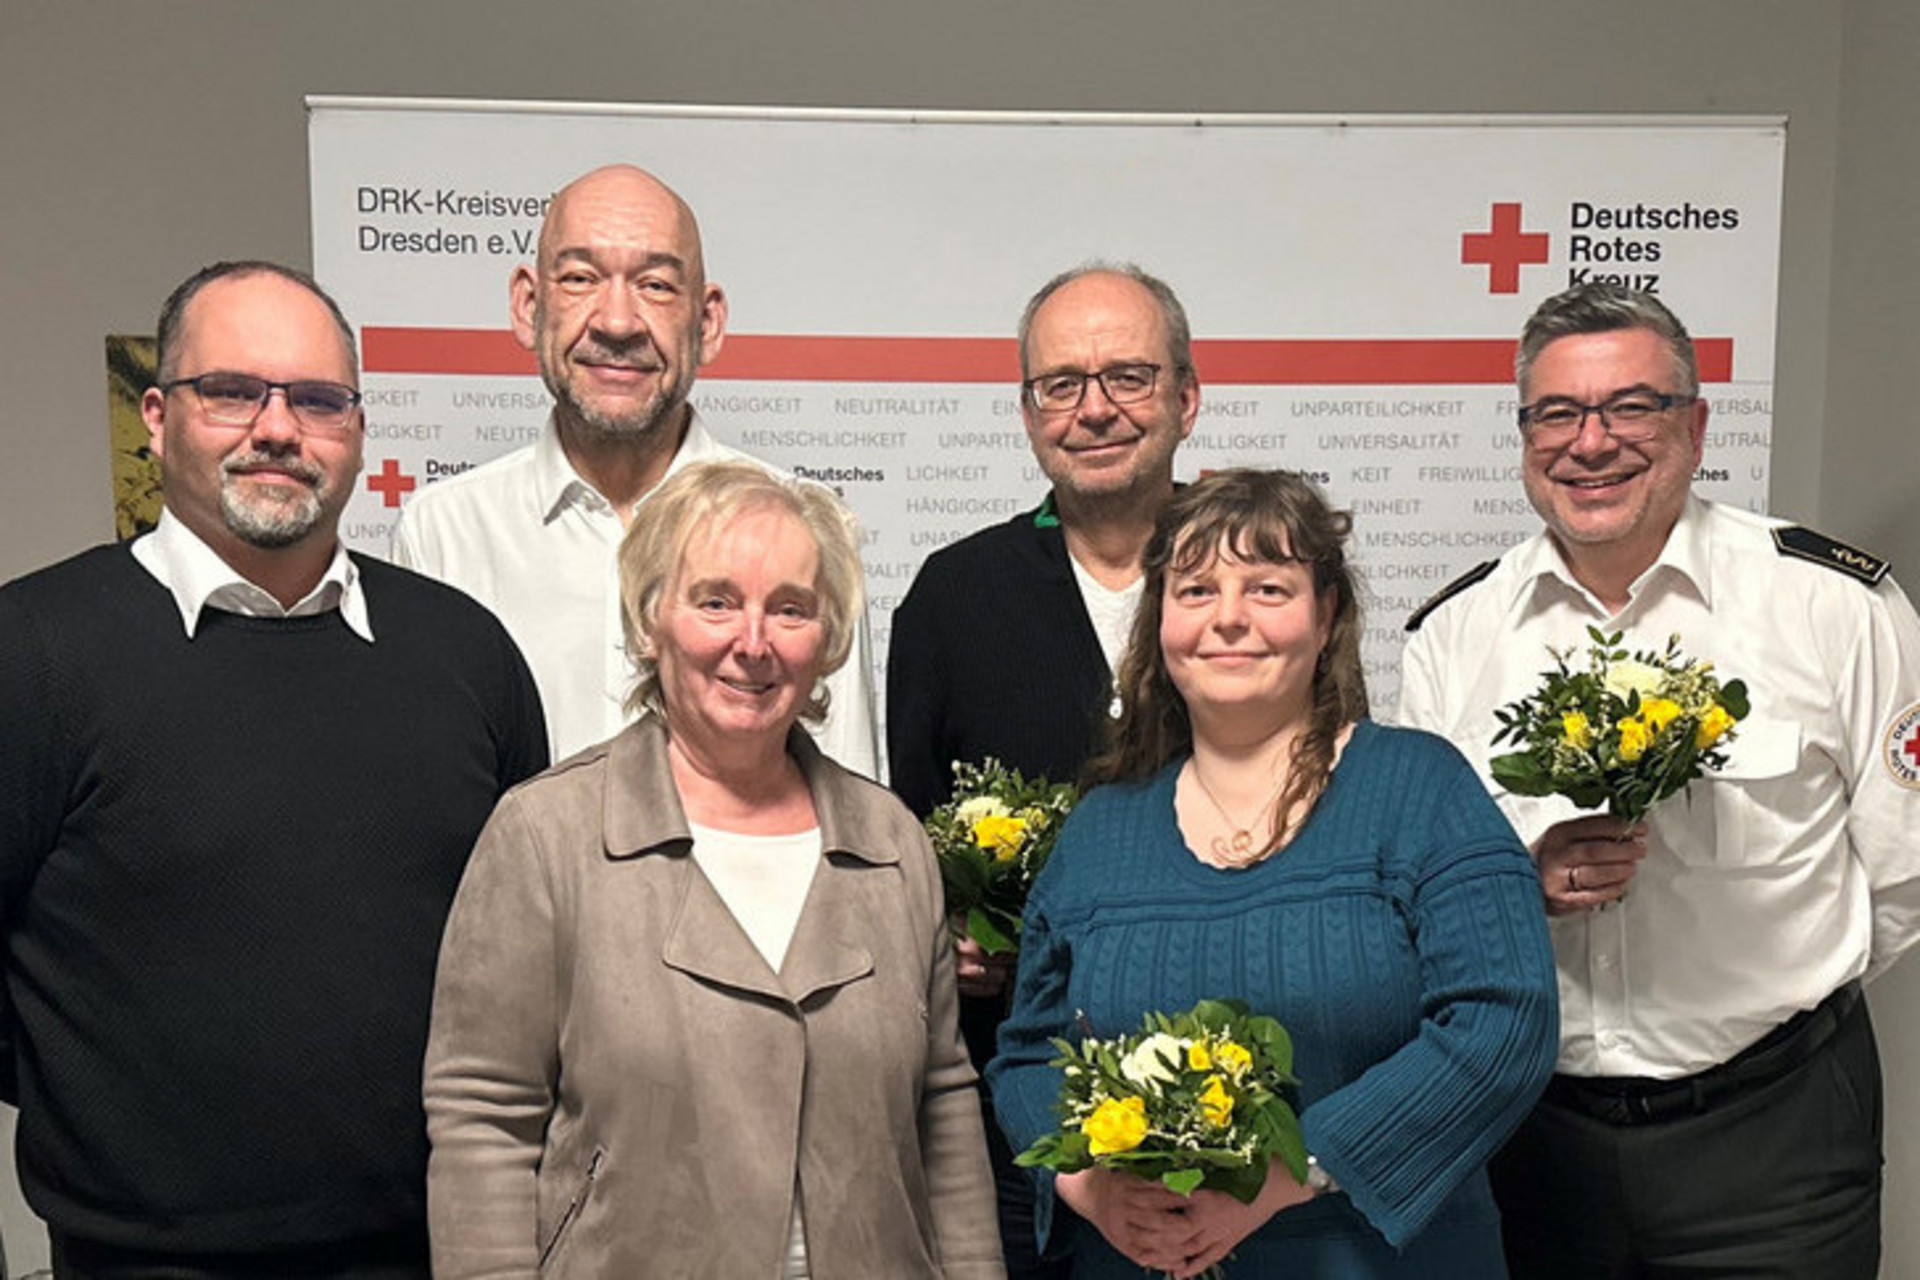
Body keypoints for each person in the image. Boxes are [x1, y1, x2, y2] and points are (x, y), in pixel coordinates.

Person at [0, 261, 549, 1278]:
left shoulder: (465, 654)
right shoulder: (32, 652)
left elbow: (528, 958)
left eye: (317, 398)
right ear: (157, 417)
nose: (279, 427)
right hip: (141, 1260)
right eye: (233, 391)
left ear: (356, 426)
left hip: (435, 1250)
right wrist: (100, 1103)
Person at [1398, 281, 1920, 1278]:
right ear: (1524, 434)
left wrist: (1764, 1003)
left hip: (1774, 1137)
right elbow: (1426, 892)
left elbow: (1902, 876)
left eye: (1631, 405)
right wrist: (1522, 889)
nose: (1590, 442)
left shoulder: (1835, 605)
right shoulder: (1454, 635)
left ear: (1695, 422)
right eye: (1556, 412)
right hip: (1533, 1136)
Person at [424, 460, 1003, 1279]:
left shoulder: (892, 842)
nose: (754, 643)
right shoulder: (545, 835)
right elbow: (485, 1115)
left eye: (791, 609)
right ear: (652, 617)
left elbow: (942, 1104)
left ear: (828, 637)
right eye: (717, 600)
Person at [989, 469, 1558, 1278]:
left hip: (1382, 1256)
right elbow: (1027, 1053)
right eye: (1195, 591)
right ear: (1160, 624)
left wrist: (1288, 1172)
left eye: (1267, 587)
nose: (1228, 618)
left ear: (1326, 617)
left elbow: (1506, 1022)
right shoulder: (1100, 830)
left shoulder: (1421, 791)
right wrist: (1087, 1184)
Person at [888, 263, 1198, 1276]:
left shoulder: (1259, 569)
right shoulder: (952, 596)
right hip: (1017, 1104)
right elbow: (905, 831)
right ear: (1027, 413)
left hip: (1233, 1092)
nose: (1094, 408)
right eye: (1061, 384)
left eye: (1128, 377)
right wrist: (950, 935)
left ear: (1188, 398)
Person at [392, 163, 878, 772]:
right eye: (580, 278)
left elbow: (849, 800)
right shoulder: (445, 534)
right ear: (528, 306)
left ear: (708, 323)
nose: (617, 322)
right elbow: (429, 787)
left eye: (655, 286)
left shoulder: (805, 534)